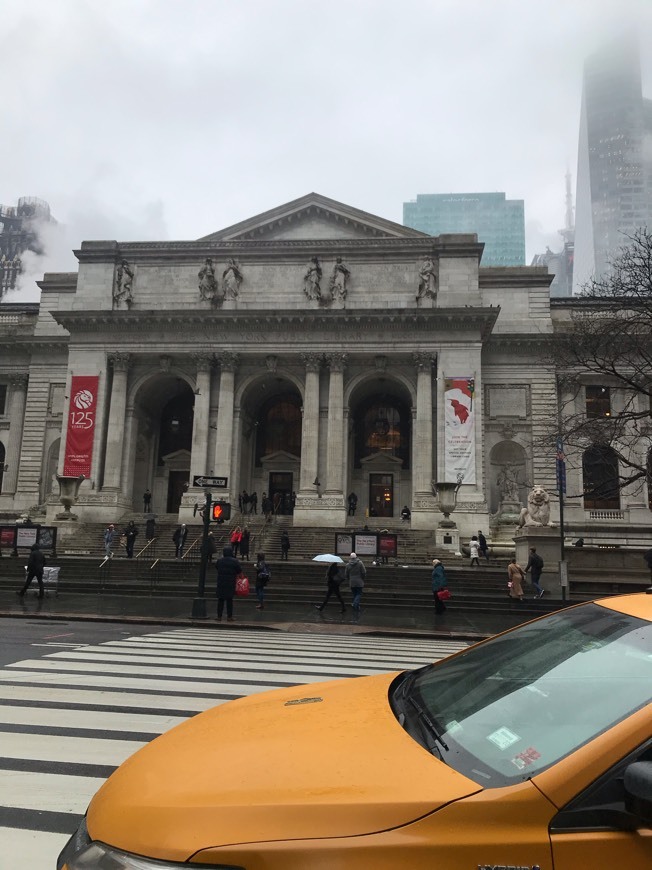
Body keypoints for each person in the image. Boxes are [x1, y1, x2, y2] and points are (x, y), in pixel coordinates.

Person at [215, 545, 242, 622]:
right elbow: (239, 570)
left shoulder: (220, 561)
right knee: (229, 600)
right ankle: (229, 616)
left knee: (220, 600)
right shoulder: (234, 561)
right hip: (230, 582)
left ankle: (219, 616)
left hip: (221, 581)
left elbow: (216, 567)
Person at [345, 552, 366, 617]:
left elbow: (346, 574)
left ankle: (356, 606)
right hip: (359, 581)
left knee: (354, 594)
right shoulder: (360, 563)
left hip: (352, 581)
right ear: (356, 557)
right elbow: (364, 572)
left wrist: (349, 579)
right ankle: (355, 604)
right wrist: (362, 577)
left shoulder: (348, 565)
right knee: (359, 593)